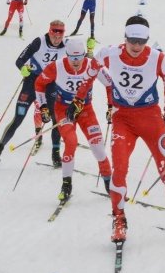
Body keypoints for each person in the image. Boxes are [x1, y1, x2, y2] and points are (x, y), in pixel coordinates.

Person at [71, 15, 165, 243]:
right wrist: (78, 99)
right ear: (125, 38)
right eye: (132, 40)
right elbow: (89, 73)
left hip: (150, 118)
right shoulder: (109, 52)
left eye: (141, 41)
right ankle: (119, 219)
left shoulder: (157, 58)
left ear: (147, 40)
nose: (136, 46)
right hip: (122, 118)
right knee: (120, 170)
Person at [35, 37, 112, 201]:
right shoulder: (57, 66)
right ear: (66, 55)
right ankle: (66, 184)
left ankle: (108, 181)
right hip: (63, 110)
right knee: (70, 141)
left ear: (85, 54)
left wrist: (110, 106)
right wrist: (43, 107)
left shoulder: (92, 65)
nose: (76, 62)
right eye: (72, 58)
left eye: (79, 57)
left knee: (98, 147)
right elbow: (39, 84)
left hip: (85, 110)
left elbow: (109, 84)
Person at [0, 20, 67, 168]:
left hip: (50, 86)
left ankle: (55, 153)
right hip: (31, 83)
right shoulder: (39, 41)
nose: (57, 36)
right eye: (54, 32)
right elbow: (19, 60)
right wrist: (23, 68)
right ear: (49, 31)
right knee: (18, 117)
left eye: (60, 32)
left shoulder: (67, 45)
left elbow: (80, 58)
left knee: (55, 119)